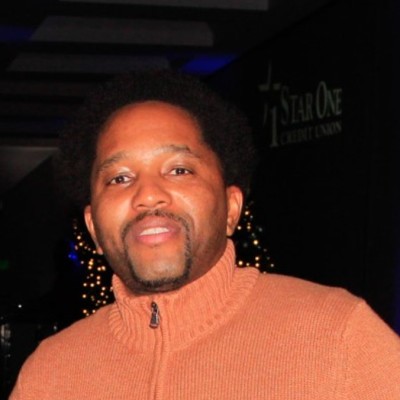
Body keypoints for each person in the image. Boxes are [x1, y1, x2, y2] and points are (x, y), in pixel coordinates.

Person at [9, 69, 400, 399]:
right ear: (93, 227)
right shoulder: (49, 374)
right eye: (120, 178)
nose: (148, 195)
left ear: (231, 209)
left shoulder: (338, 336)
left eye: (179, 170)